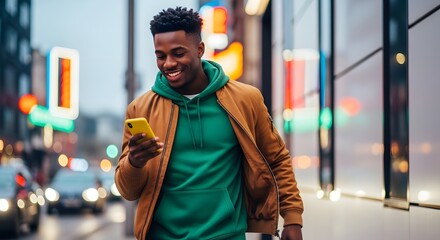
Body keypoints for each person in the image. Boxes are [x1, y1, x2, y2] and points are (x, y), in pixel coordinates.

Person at [115, 6, 304, 240]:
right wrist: (134, 162)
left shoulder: (245, 99)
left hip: (227, 235)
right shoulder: (140, 109)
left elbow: (277, 159)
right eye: (161, 56)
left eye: (178, 53)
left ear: (200, 49)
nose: (169, 64)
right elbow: (127, 191)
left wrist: (292, 218)